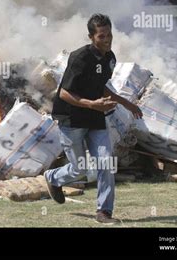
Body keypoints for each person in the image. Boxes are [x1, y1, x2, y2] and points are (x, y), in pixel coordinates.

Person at [44, 13, 143, 224]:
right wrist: (92, 104)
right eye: (101, 36)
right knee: (79, 169)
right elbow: (63, 93)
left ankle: (103, 212)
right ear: (91, 37)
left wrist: (127, 103)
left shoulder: (110, 58)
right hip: (71, 119)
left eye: (109, 35)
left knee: (106, 162)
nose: (107, 40)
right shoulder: (79, 58)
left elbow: (101, 86)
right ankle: (53, 178)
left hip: (95, 118)